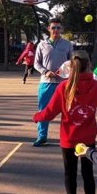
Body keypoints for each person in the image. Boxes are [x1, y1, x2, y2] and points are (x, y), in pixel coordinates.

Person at [33, 50, 97, 194]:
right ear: (88, 66)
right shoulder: (95, 87)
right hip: (87, 138)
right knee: (88, 174)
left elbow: (49, 112)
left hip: (68, 138)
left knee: (69, 172)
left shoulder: (64, 87)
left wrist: (37, 117)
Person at [32, 18, 73, 146]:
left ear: (61, 29)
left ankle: (68, 136)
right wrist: (46, 72)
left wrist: (66, 72)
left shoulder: (67, 44)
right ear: (49, 29)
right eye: (53, 27)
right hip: (46, 83)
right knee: (44, 110)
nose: (56, 30)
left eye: (58, 28)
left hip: (64, 83)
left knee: (68, 111)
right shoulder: (41, 45)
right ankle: (42, 136)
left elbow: (72, 63)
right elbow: (36, 64)